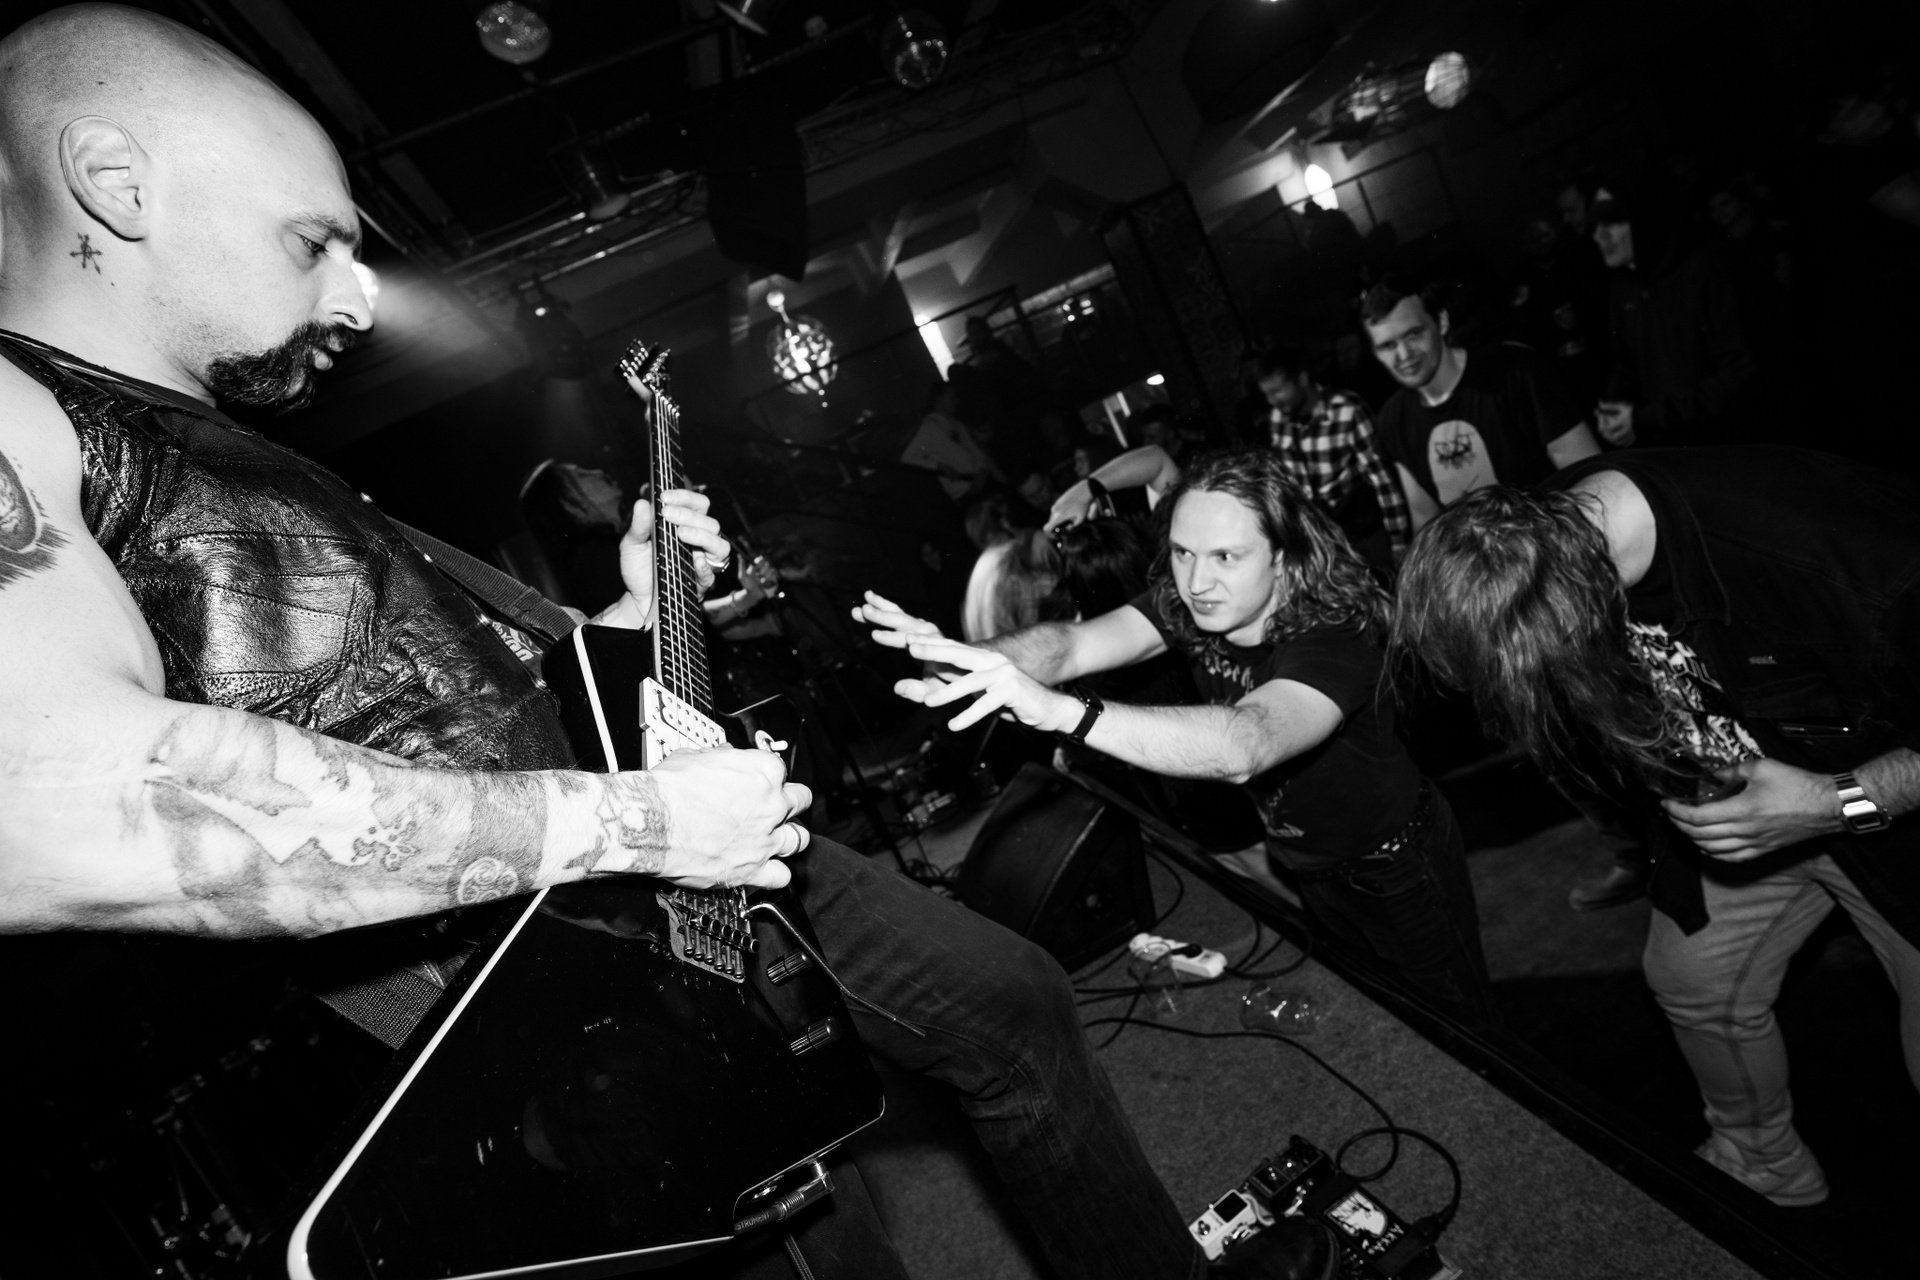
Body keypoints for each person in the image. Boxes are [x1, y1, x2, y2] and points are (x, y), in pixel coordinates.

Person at [0, 9, 1261, 1278]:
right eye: (311, 239)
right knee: (814, 1225)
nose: (360, 295)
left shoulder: (218, 440)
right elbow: (46, 807)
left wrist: (623, 615)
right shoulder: (18, 416)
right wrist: (647, 822)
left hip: (655, 879)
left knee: (1006, 1011)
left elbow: (428, 707)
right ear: (116, 182)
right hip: (558, 973)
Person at [1391, 445, 1920, 1207]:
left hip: (1887, 816)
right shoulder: (1534, 534)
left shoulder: (1834, 555)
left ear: (1577, 611)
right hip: (1751, 814)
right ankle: (1763, 1162)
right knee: (1692, 982)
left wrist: (1835, 802)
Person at [858, 450, 1496, 1030]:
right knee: (1396, 1020)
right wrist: (967, 657)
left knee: (1467, 1032)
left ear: (1284, 556)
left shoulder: (1335, 635)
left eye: (1225, 557)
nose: (1195, 581)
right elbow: (1072, 645)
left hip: (1395, 866)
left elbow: (1244, 745)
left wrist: (1059, 711)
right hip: (1309, 865)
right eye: (1184, 553)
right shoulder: (1194, 604)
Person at [1361, 275, 1601, 530]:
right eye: (1387, 346)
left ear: (1441, 322)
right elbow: (1425, 518)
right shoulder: (1393, 420)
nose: (1404, 354)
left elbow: (1589, 474)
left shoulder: (1515, 372)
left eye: (1414, 334)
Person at [1589, 168, 1763, 449]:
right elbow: (1627, 365)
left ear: (1646, 218)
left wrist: (1647, 419)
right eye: (1597, 222)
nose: (1599, 235)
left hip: (1736, 446)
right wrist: (1614, 410)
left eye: (1613, 221)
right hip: (1674, 452)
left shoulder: (1710, 269)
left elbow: (1741, 372)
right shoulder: (1624, 286)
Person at [1252, 343, 1411, 575]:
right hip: (1326, 542)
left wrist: (1399, 541)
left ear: (1302, 380)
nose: (1272, 401)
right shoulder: (1278, 418)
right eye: (1267, 394)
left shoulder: (1347, 410)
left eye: (1278, 391)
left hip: (1366, 532)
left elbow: (1383, 479)